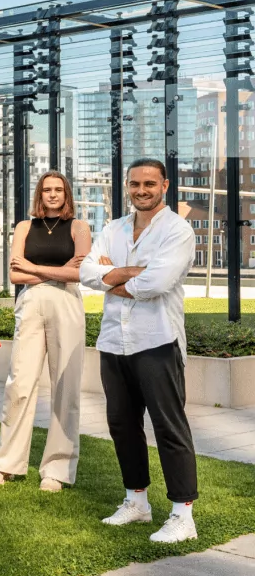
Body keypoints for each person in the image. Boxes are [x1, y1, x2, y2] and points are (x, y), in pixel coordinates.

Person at [80, 158, 199, 544]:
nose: (141, 190)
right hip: (115, 342)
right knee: (122, 426)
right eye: (135, 184)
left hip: (157, 341)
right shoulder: (113, 228)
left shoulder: (178, 230)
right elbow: (85, 273)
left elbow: (158, 283)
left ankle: (183, 514)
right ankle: (136, 502)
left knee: (169, 427)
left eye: (149, 183)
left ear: (164, 185)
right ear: (127, 187)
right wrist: (136, 271)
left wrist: (114, 273)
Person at [0, 171, 91, 492]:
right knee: (19, 383)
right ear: (40, 194)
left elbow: (79, 273)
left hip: (67, 306)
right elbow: (14, 274)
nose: (52, 194)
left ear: (67, 194)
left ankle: (57, 469)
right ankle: (7, 463)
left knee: (66, 386)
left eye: (58, 189)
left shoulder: (79, 227)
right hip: (31, 304)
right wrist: (56, 272)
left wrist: (33, 268)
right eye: (47, 189)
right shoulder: (24, 227)